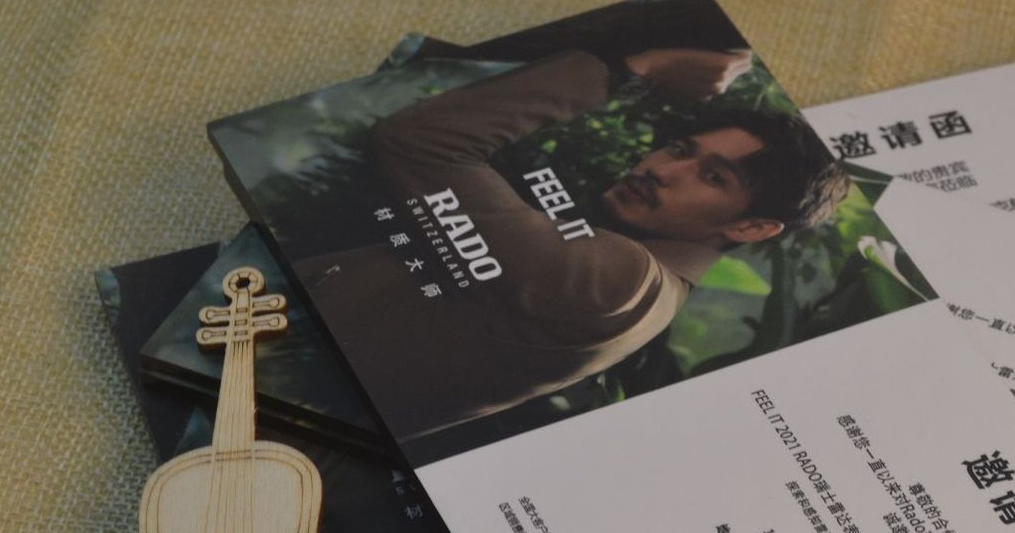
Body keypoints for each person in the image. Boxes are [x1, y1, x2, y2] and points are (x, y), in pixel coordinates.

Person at [299, 46, 848, 452]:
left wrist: (638, 70)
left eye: (713, 177)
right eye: (681, 149)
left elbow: (421, 142)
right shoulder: (638, 280)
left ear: (752, 229)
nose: (662, 169)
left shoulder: (622, 281)